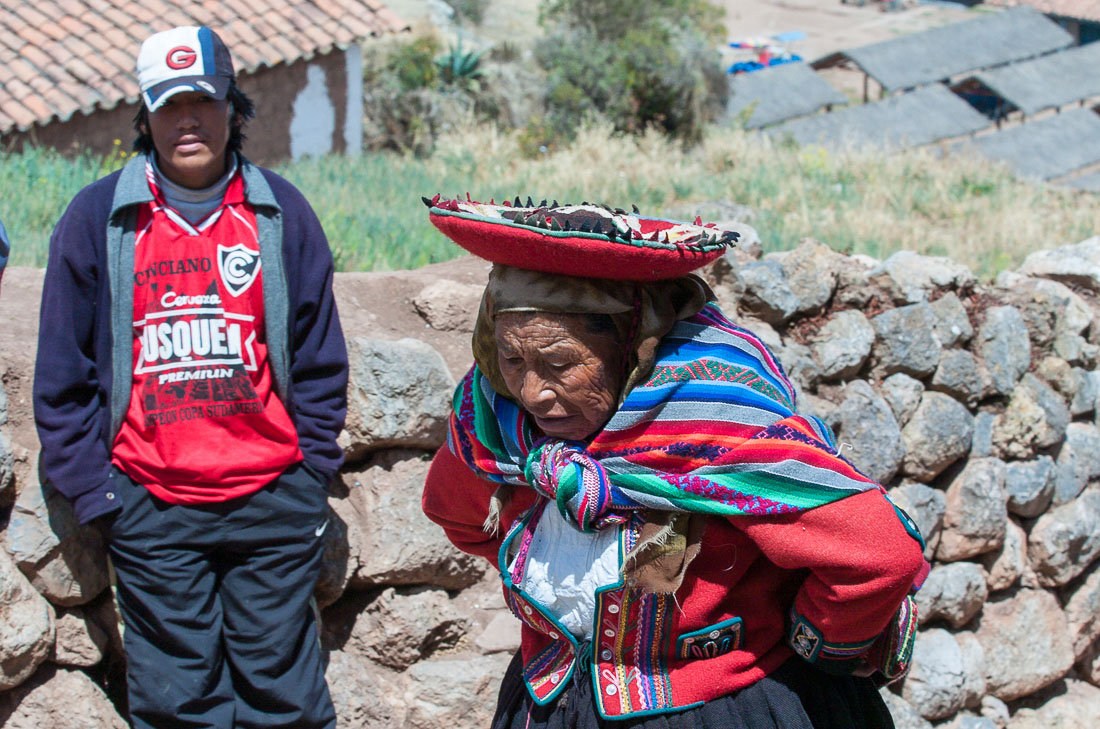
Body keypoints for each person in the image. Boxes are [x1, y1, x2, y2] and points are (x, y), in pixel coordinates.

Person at [421, 197, 929, 729]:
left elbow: (877, 554)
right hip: (556, 705)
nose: (532, 393)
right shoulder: (495, 424)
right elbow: (456, 512)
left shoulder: (719, 425)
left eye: (559, 364)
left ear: (634, 349)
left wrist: (816, 642)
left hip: (724, 708)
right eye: (511, 358)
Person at [33, 26, 347, 729]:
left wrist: (310, 470)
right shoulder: (98, 220)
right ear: (143, 115)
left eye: (202, 101)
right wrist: (100, 492)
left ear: (233, 107)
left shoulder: (280, 214)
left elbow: (320, 355)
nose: (187, 121)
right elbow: (62, 374)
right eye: (168, 104)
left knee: (286, 698)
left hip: (272, 498)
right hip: (151, 504)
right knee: (180, 704)